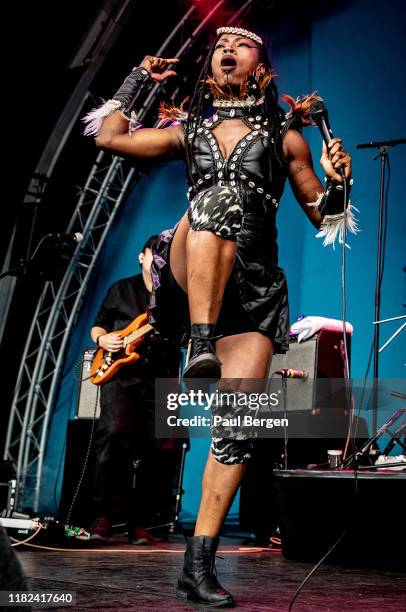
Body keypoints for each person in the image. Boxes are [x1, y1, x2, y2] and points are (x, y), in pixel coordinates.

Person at [84, 25, 354, 606]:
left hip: (253, 286)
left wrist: (340, 186)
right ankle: (200, 341)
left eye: (243, 41)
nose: (227, 46)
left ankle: (198, 564)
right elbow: (110, 139)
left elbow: (323, 217)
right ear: (211, 66)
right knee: (219, 199)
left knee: (238, 427)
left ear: (262, 63)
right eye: (220, 43)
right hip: (190, 272)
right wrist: (136, 82)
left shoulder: (287, 137)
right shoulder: (190, 130)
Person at [89, 235, 181, 544]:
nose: (157, 259)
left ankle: (141, 522)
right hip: (122, 375)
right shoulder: (121, 289)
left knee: (160, 448)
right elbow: (98, 326)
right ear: (141, 258)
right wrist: (104, 340)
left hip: (162, 377)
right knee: (113, 436)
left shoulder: (176, 294)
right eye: (152, 253)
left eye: (163, 255)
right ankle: (102, 517)